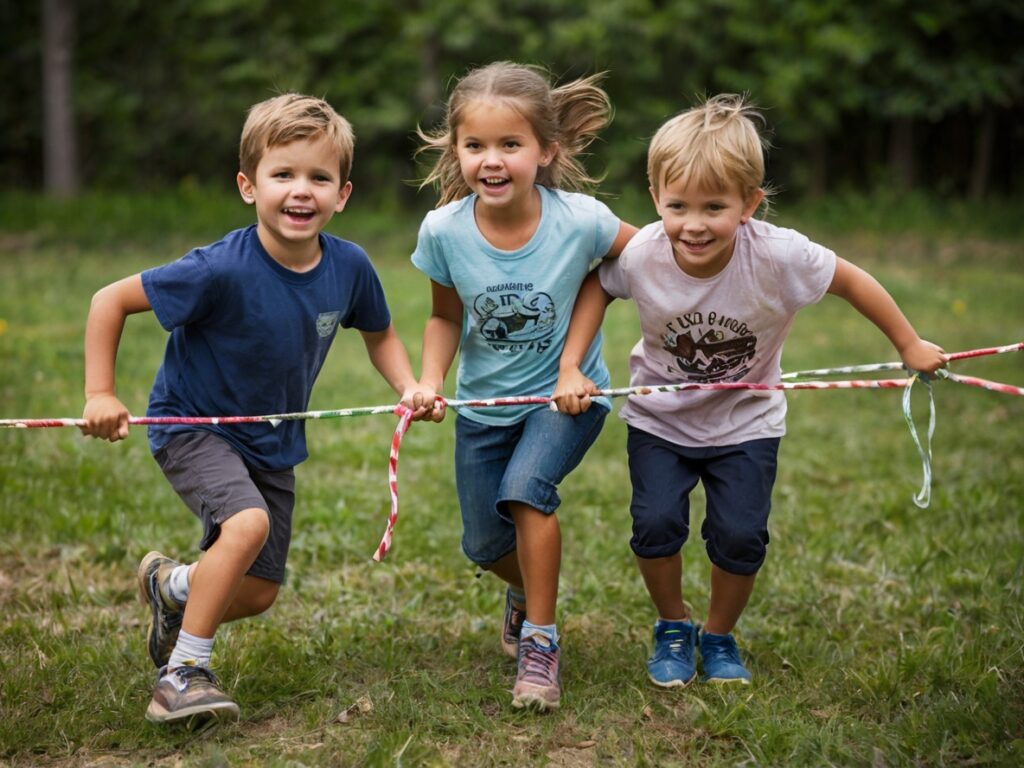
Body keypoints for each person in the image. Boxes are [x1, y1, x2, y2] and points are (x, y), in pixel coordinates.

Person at [553, 93, 946, 688]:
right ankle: (673, 626)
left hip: (747, 423)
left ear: (749, 205)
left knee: (739, 535)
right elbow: (597, 288)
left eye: (715, 206)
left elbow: (852, 281)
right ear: (656, 197)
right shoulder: (644, 253)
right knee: (656, 524)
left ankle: (718, 634)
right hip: (660, 421)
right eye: (677, 204)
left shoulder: (781, 255)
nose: (693, 223)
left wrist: (908, 344)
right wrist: (571, 366)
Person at [81, 93, 433, 726]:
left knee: (259, 591)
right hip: (193, 427)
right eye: (284, 175)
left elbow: (379, 332)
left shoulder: (349, 267)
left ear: (343, 193)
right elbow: (109, 301)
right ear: (249, 186)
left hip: (272, 441)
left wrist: (407, 384)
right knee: (246, 527)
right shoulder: (217, 269)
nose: (301, 191)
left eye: (319, 178)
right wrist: (100, 394)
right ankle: (183, 673)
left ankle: (173, 587)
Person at [402, 61, 636, 711]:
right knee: (482, 542)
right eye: (475, 145)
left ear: (546, 150)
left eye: (511, 145)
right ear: (456, 149)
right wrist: (428, 380)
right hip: (485, 406)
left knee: (526, 493)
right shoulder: (443, 231)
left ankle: (541, 638)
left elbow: (640, 260)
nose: (492, 161)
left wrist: (573, 365)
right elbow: (446, 315)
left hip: (570, 396)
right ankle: (524, 588)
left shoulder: (581, 219)